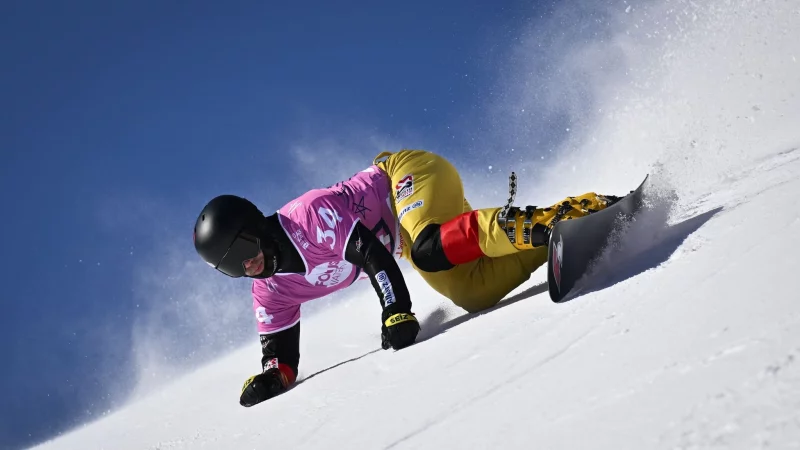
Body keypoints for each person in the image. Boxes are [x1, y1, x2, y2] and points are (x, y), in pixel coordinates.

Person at [193, 149, 620, 407]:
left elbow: (370, 253)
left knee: (428, 249)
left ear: (257, 228)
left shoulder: (306, 219)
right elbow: (282, 357)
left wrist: (396, 309)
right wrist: (273, 377)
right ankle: (549, 243)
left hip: (405, 177)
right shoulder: (270, 291)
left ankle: (551, 219)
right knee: (474, 291)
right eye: (233, 267)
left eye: (246, 252)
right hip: (407, 236)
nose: (249, 267)